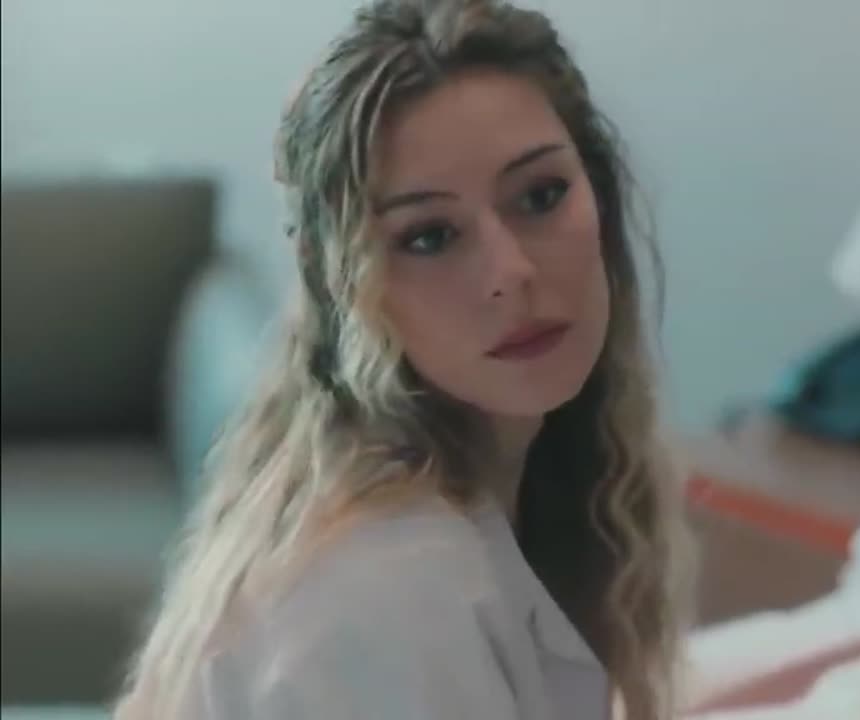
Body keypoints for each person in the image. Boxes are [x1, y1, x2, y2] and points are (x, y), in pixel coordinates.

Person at [114, 1, 692, 718]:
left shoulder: (507, 497)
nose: (509, 270)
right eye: (429, 237)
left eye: (541, 196)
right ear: (352, 287)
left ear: (598, 195)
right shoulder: (392, 586)